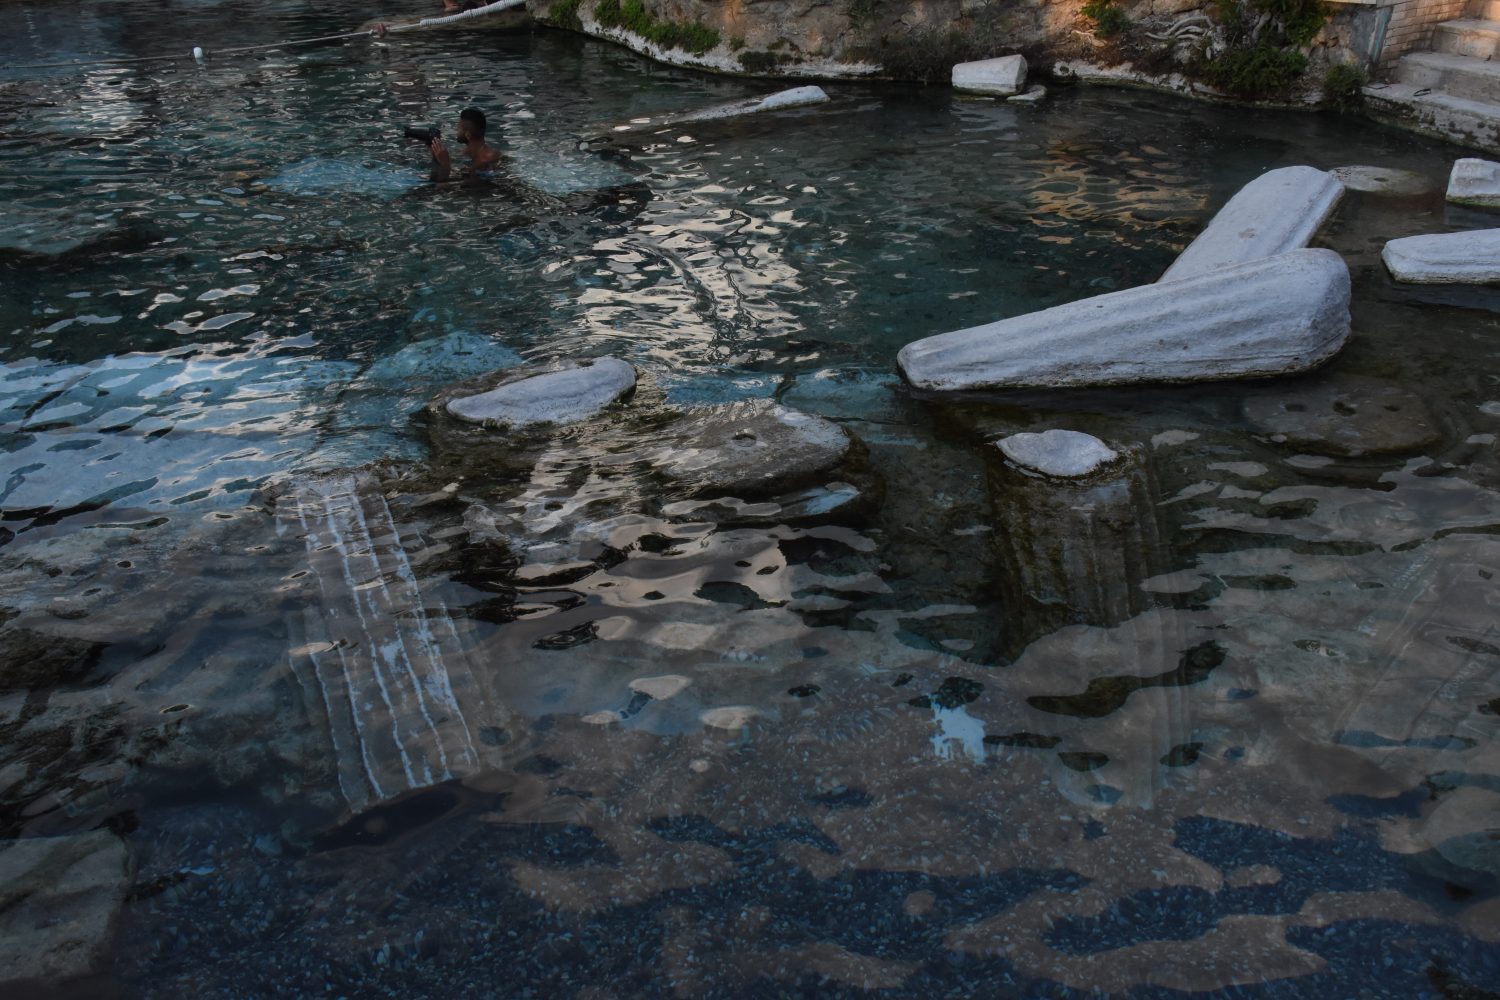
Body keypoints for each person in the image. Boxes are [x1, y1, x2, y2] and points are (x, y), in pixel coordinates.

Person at [428, 107, 503, 182]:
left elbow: (447, 185)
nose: (456, 130)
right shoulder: (467, 152)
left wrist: (445, 164)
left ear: (468, 135)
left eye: (459, 128)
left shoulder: (489, 158)